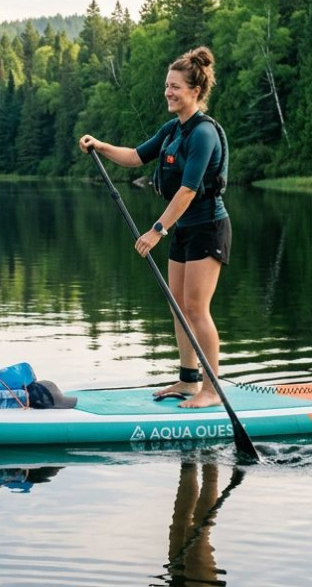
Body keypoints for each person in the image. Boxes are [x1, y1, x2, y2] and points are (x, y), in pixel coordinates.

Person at [79, 46, 230, 409]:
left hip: (208, 227)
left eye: (175, 86)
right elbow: (135, 156)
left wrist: (156, 230)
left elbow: (189, 190)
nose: (168, 92)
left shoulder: (204, 134)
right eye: (167, 85)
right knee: (178, 305)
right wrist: (99, 145)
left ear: (195, 91)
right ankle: (188, 380)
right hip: (183, 229)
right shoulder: (172, 129)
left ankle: (212, 389)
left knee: (196, 308)